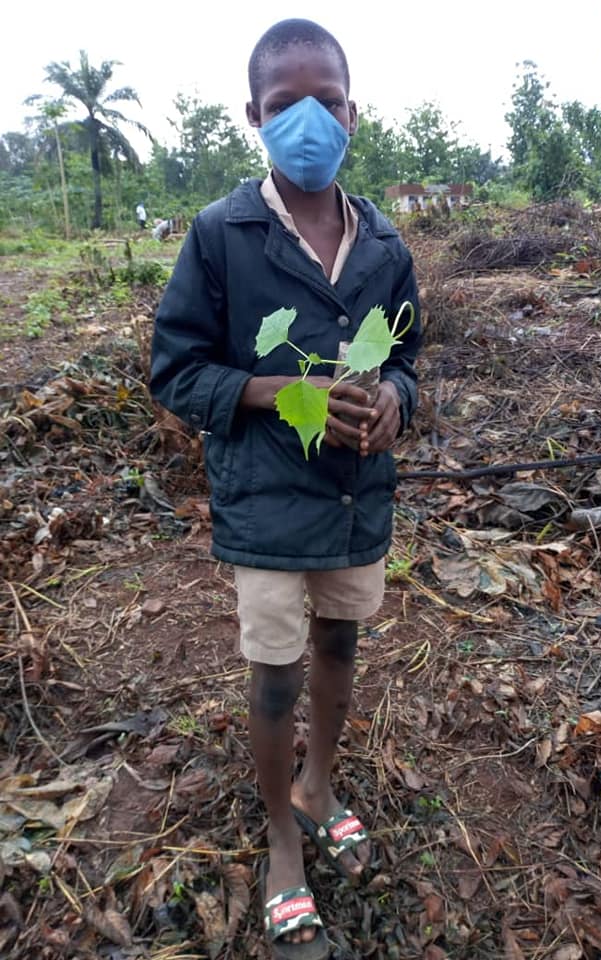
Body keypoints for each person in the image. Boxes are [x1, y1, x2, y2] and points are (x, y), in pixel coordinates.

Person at [150, 18, 421, 959]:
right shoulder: (223, 235)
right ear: (254, 119)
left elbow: (409, 352)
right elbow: (177, 371)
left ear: (355, 109)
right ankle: (279, 840)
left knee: (340, 643)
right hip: (265, 503)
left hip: (357, 496)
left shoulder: (383, 241)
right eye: (283, 106)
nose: (309, 120)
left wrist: (396, 399)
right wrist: (280, 391)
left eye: (329, 102)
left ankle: (318, 782)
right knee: (275, 676)